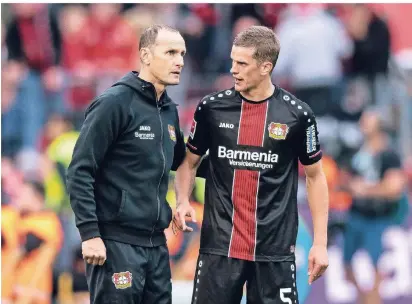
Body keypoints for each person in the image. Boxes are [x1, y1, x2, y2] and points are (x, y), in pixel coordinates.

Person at [174, 25, 330, 304]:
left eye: (242, 63)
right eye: (233, 60)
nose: (233, 69)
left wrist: (319, 243)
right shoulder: (211, 108)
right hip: (220, 249)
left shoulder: (298, 114)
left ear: (265, 66)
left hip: (275, 251)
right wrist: (182, 200)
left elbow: (316, 177)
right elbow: (189, 161)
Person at [67, 24, 193, 304]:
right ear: (145, 56)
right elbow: (80, 171)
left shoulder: (169, 110)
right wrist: (89, 234)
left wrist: (183, 199)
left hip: (157, 245)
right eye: (171, 52)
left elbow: (183, 160)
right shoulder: (114, 103)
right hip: (115, 244)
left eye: (182, 53)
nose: (180, 61)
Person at [344, 109, 406, 304]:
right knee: (346, 266)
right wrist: (350, 186)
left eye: (367, 121)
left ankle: (373, 300)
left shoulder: (389, 155)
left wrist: (366, 190)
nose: (362, 124)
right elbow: (347, 179)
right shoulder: (357, 153)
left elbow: (394, 188)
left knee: (376, 267)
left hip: (377, 218)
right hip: (355, 216)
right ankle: (365, 299)